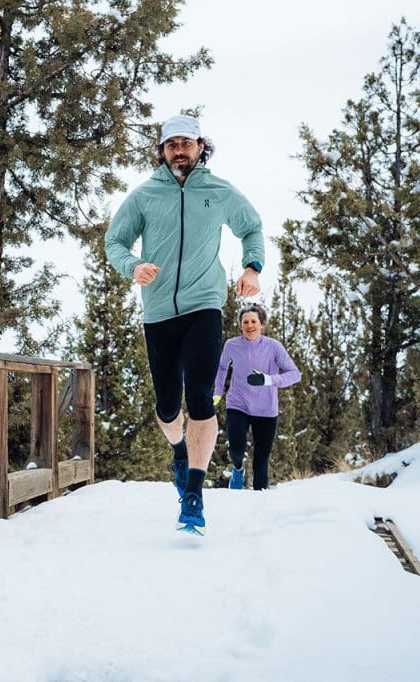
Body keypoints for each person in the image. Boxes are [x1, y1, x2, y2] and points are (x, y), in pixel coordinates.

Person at [104, 114, 265, 535]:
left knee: (199, 397)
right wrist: (132, 265)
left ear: (200, 147)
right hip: (158, 311)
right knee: (168, 406)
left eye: (187, 143)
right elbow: (114, 242)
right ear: (162, 150)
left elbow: (251, 227)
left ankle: (193, 493)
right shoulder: (144, 196)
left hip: (204, 303)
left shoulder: (219, 190)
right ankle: (179, 449)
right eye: (171, 143)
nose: (180, 150)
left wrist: (252, 267)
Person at [213, 303, 301, 491]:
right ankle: (237, 470)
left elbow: (295, 374)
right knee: (236, 447)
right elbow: (222, 367)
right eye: (246, 322)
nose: (250, 325)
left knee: (261, 459)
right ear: (240, 325)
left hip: (266, 409)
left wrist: (268, 380)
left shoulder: (273, 347)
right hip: (238, 404)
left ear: (261, 324)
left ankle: (260, 499)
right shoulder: (232, 345)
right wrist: (218, 392)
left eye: (254, 321)